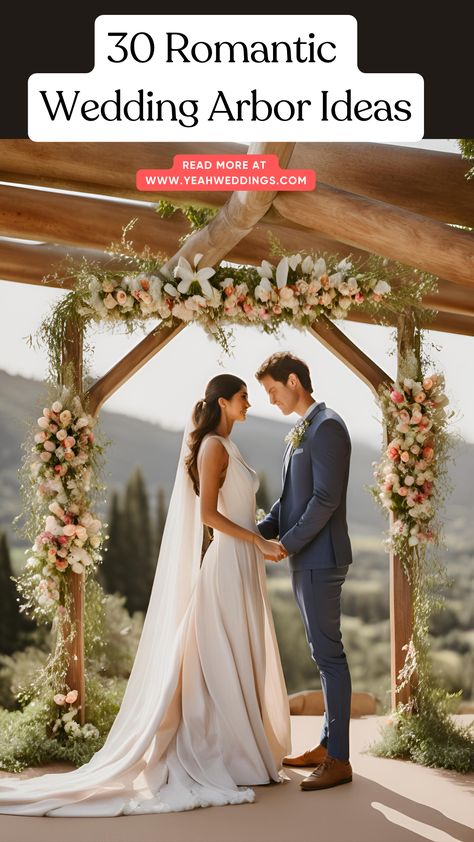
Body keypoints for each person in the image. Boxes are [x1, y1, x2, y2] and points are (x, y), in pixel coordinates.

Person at [0, 374, 291, 816]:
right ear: (224, 402)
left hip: (244, 563)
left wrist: (262, 537)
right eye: (243, 397)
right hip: (228, 562)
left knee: (242, 651)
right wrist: (256, 541)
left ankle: (245, 746)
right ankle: (233, 753)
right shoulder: (212, 446)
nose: (249, 402)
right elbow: (210, 515)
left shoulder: (229, 446)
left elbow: (237, 508)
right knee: (223, 652)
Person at [256, 352, 353, 791]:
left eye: (273, 390)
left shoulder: (327, 426)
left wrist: (285, 544)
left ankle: (339, 760)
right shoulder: (302, 430)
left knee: (330, 657)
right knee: (322, 655)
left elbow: (325, 501)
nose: (271, 400)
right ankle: (327, 745)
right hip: (305, 558)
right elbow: (290, 499)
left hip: (320, 558)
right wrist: (255, 532)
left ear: (294, 381)